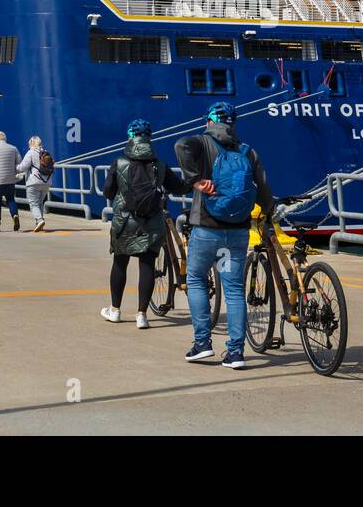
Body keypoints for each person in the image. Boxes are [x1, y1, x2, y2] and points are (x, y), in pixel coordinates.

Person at [174, 101, 275, 369]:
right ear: (233, 123)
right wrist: (269, 210)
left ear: (208, 121)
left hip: (206, 228)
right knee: (233, 290)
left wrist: (195, 179)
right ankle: (236, 353)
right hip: (238, 231)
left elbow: (180, 146)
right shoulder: (247, 150)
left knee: (195, 279)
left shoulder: (201, 141)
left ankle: (202, 344)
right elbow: (263, 187)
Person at [101, 119, 192, 328]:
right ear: (149, 138)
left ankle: (115, 310)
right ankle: (142, 315)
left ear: (130, 137)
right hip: (152, 222)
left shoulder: (119, 163)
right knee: (147, 265)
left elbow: (108, 191)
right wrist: (196, 181)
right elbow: (178, 187)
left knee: (120, 264)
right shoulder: (160, 166)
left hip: (124, 222)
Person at [16, 136, 53, 233]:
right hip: (46, 183)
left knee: (33, 204)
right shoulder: (46, 153)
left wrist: (16, 167)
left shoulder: (31, 152)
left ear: (31, 144)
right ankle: (38, 223)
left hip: (34, 182)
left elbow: (22, 167)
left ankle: (40, 220)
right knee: (40, 202)